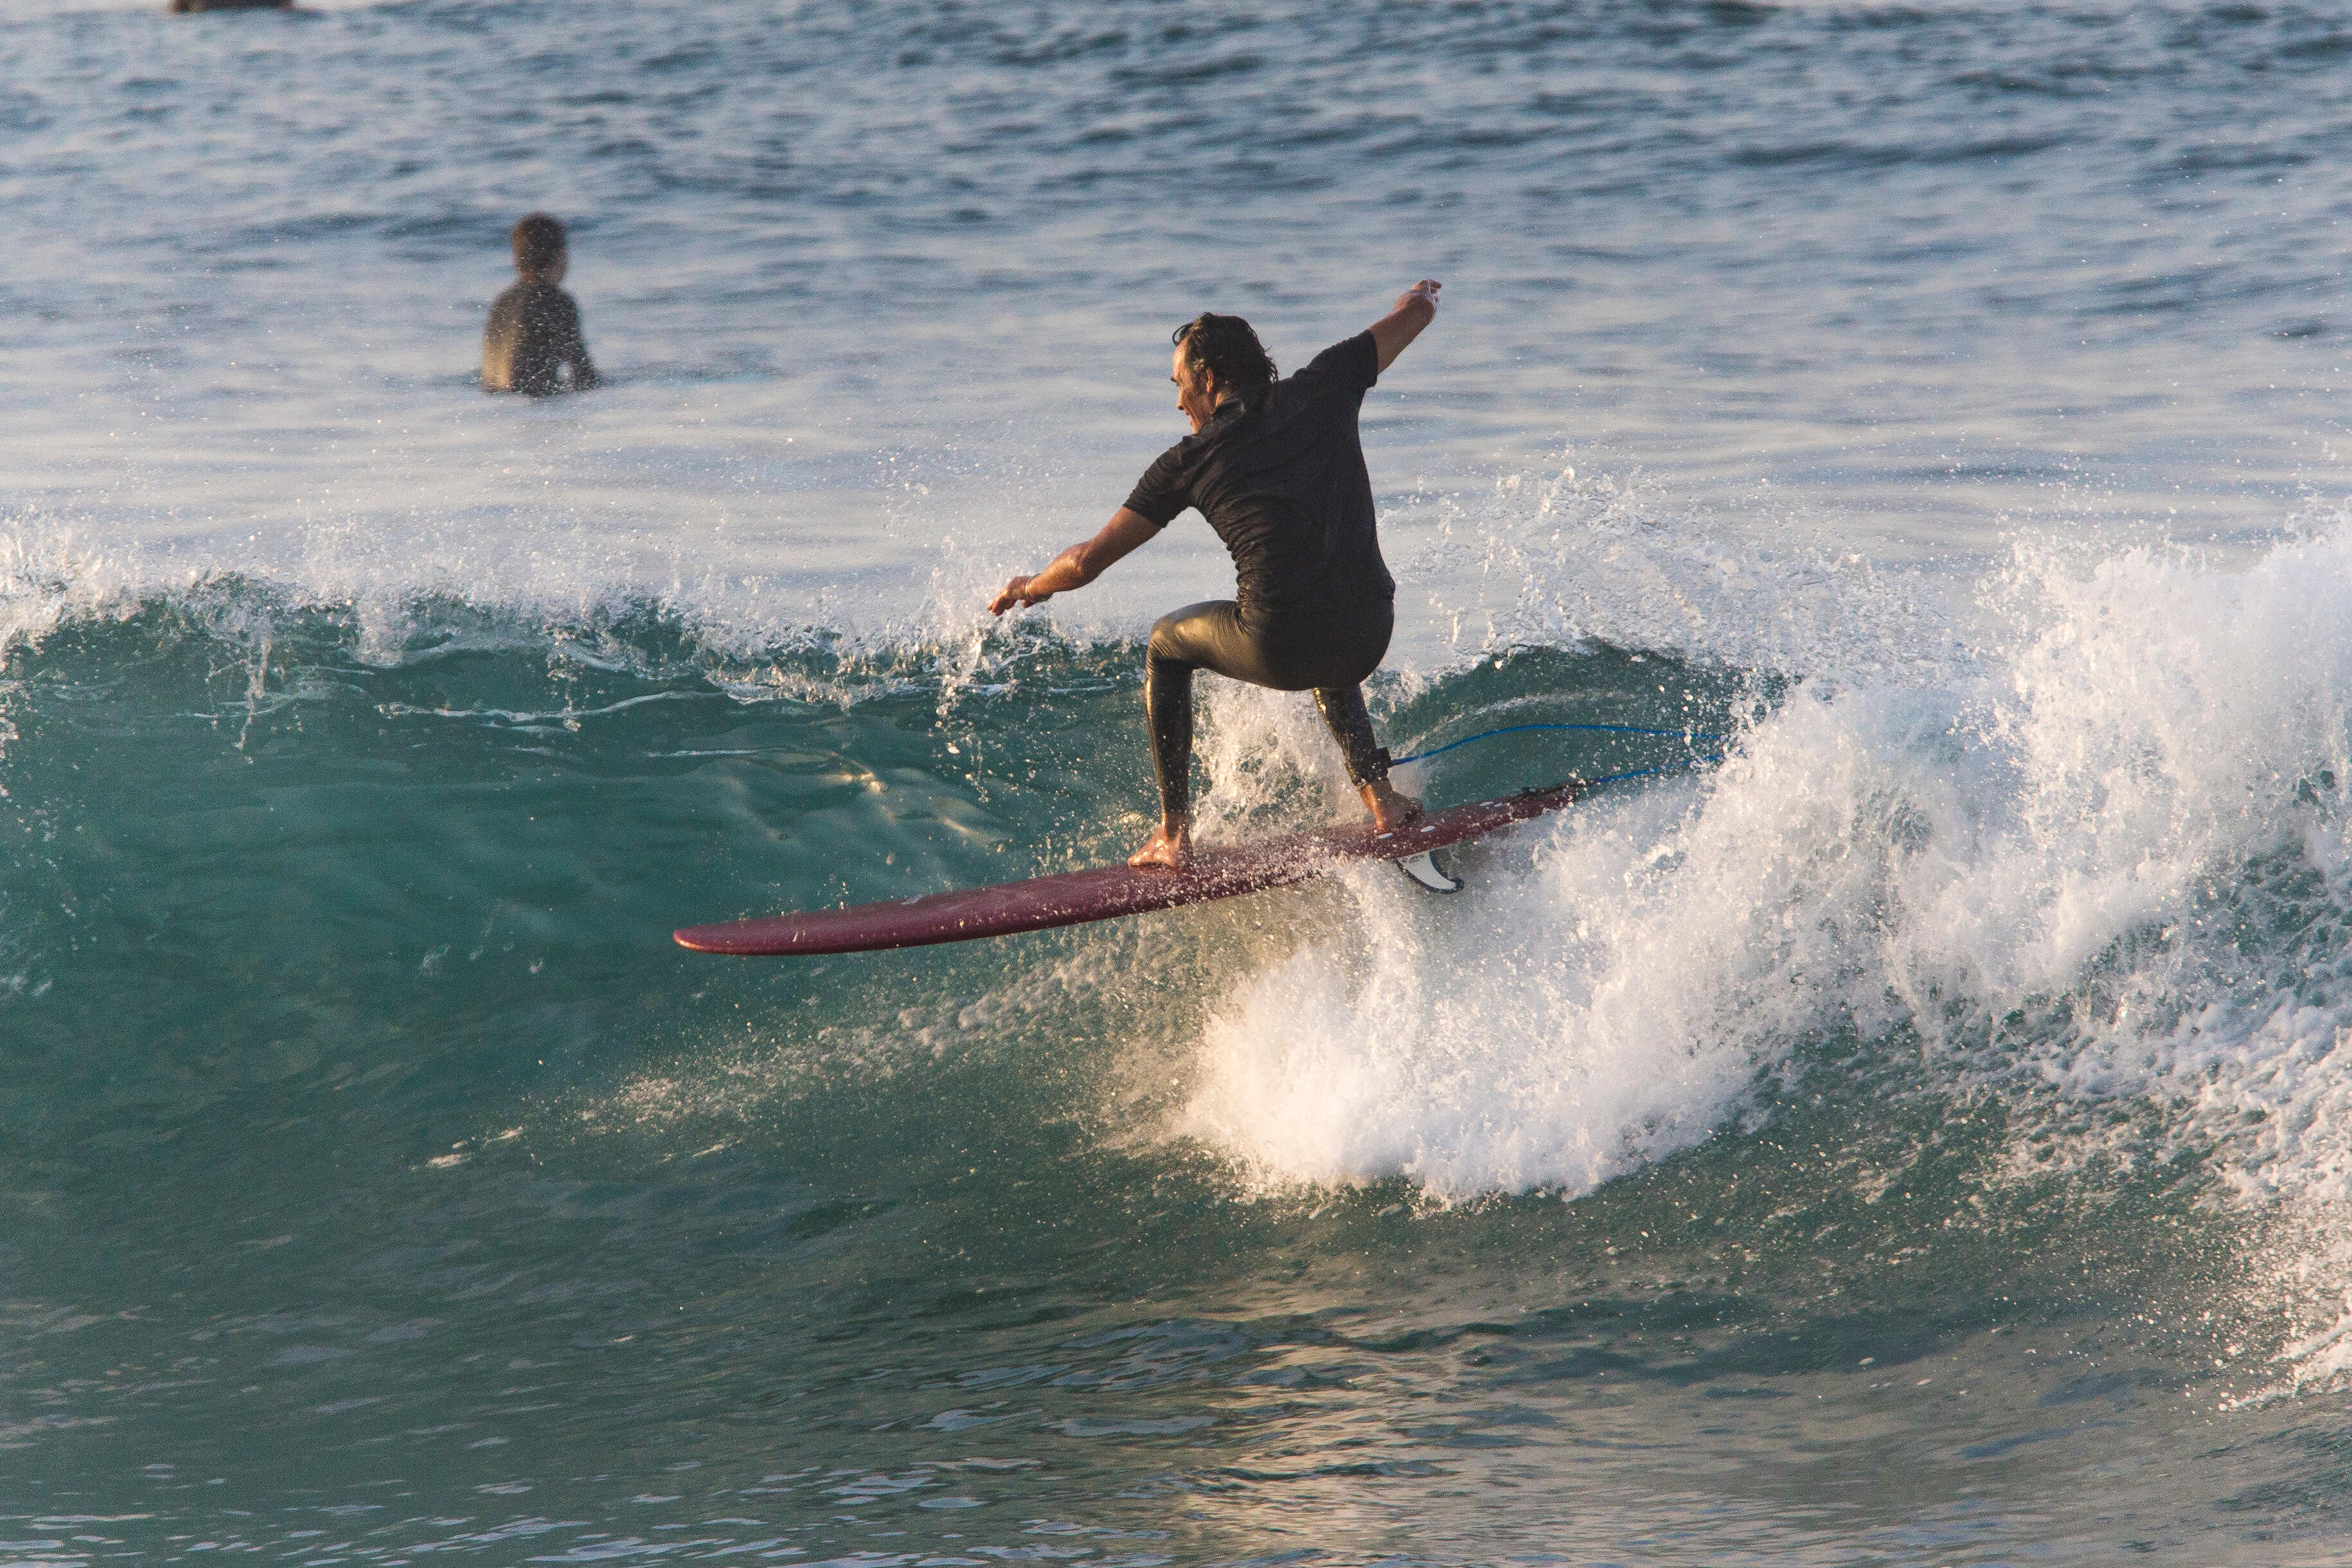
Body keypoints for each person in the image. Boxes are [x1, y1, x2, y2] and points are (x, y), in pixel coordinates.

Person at [990, 280, 1443, 869]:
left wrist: (1031, 586)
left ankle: (1173, 835)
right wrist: (1424, 296)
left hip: (1279, 646)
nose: (1179, 403)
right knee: (1320, 593)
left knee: (1165, 645)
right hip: (1368, 631)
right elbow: (1413, 316)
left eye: (1180, 385)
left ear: (1208, 380)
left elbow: (1085, 563)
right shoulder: (1329, 382)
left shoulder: (1192, 460)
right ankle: (1381, 800)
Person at [483, 214, 598, 396]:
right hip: (533, 412)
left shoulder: (502, 303)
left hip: (495, 412)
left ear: (517, 259)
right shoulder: (555, 301)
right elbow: (585, 378)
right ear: (561, 256)